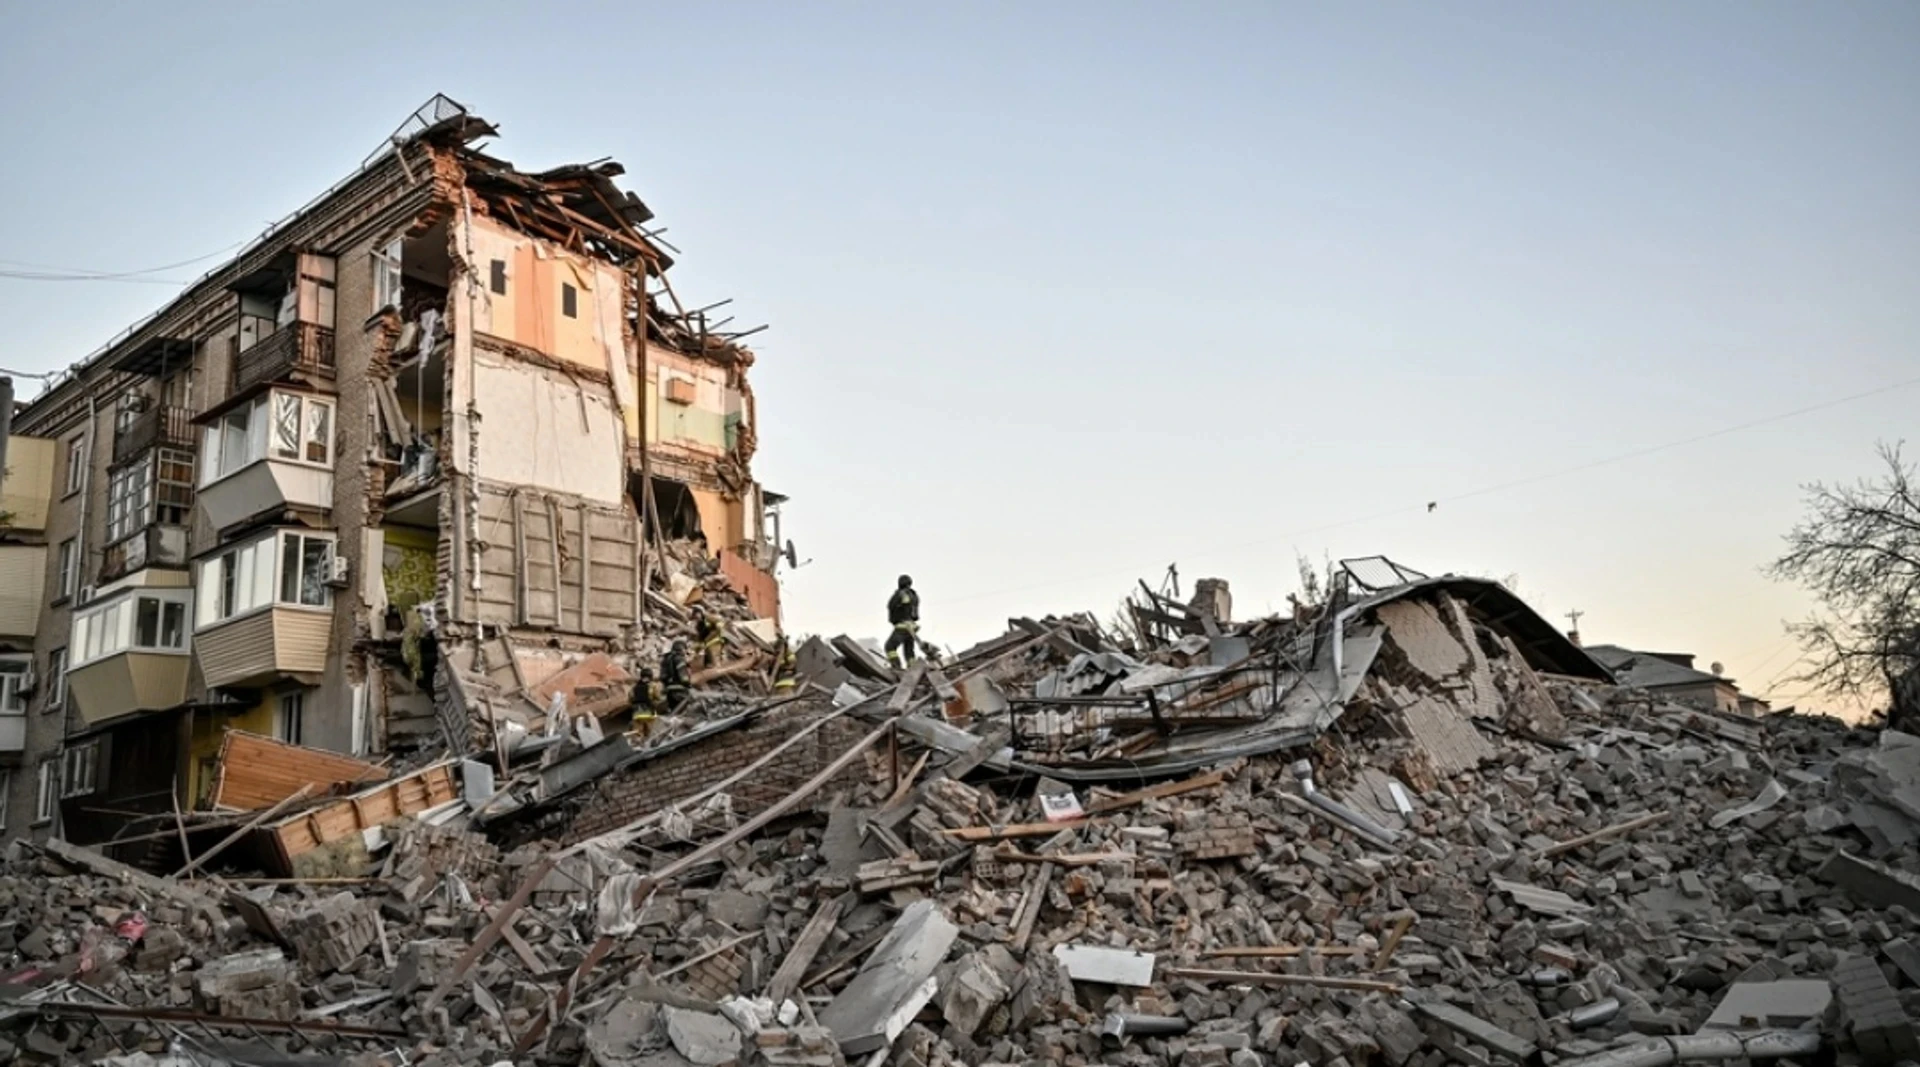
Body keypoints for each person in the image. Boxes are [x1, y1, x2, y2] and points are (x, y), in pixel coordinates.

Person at [885, 575, 920, 668]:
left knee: (889, 647)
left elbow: (897, 606)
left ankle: (897, 667)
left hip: (903, 625)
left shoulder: (902, 594)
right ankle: (913, 668)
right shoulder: (914, 595)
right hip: (912, 626)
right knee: (909, 650)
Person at [629, 666, 663, 738]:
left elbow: (630, 698)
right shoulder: (652, 686)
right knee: (650, 735)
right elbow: (658, 697)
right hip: (649, 713)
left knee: (638, 734)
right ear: (651, 676)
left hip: (637, 714)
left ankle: (638, 746)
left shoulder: (634, 687)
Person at [661, 640, 692, 712]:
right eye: (685, 649)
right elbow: (683, 677)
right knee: (684, 711)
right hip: (679, 690)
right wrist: (688, 684)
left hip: (669, 691)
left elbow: (662, 676)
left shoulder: (666, 659)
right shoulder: (679, 659)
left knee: (675, 712)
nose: (686, 652)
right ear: (681, 649)